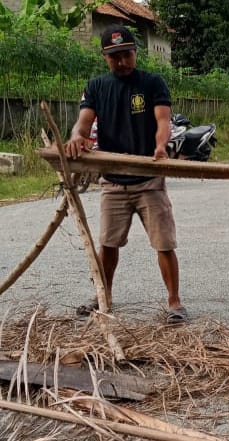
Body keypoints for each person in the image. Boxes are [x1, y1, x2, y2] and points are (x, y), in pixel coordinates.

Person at [65, 24, 187, 324]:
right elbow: (82, 123)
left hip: (149, 181)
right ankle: (103, 296)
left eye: (126, 55)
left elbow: (163, 121)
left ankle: (174, 303)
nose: (121, 62)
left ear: (135, 52)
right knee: (107, 245)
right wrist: (76, 137)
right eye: (114, 56)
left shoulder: (152, 83)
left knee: (164, 244)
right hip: (113, 182)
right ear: (105, 57)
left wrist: (160, 147)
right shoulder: (96, 87)